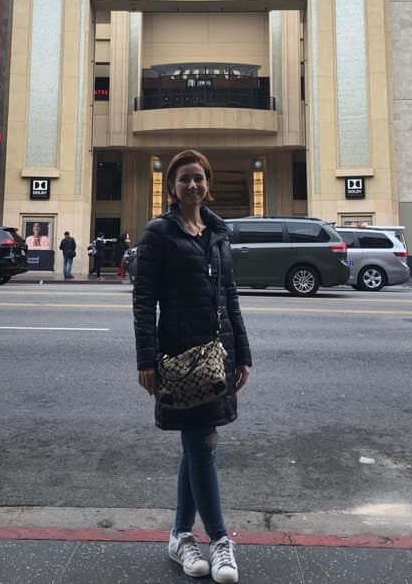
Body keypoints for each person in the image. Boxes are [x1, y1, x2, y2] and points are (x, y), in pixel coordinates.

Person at [133, 149, 251, 584]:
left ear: (208, 184)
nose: (193, 185)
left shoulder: (218, 232)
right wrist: (146, 358)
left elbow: (230, 296)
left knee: (195, 445)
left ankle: (181, 535)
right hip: (179, 356)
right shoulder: (158, 234)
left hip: (218, 356)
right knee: (202, 445)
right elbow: (144, 301)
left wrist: (243, 353)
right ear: (171, 187)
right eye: (184, 179)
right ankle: (220, 539)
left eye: (199, 178)